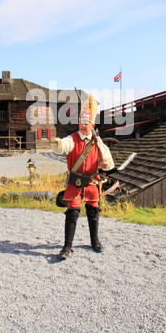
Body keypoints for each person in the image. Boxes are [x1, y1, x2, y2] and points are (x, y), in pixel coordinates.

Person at [51, 106, 115, 260]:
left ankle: (95, 242)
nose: (83, 125)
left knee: (93, 213)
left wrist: (106, 164)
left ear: (92, 125)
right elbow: (62, 147)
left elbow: (107, 159)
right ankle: (67, 247)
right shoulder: (71, 139)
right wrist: (58, 144)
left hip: (92, 182)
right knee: (72, 214)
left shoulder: (97, 140)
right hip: (75, 182)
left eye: (86, 123)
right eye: (81, 122)